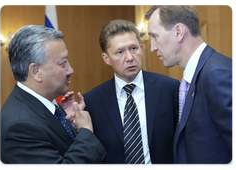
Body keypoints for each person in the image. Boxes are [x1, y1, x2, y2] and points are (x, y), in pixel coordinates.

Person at [62, 19, 179, 164]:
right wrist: (74, 125)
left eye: (133, 49)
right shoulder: (92, 101)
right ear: (106, 59)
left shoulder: (169, 89)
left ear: (141, 49)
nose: (129, 58)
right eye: (119, 52)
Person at [0, 25, 106, 164]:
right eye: (63, 63)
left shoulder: (47, 106)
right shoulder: (20, 126)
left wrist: (69, 124)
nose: (70, 70)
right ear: (36, 71)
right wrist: (85, 130)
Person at [145, 3, 233, 164]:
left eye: (154, 36)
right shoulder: (194, 78)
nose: (152, 47)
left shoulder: (217, 74)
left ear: (179, 32)